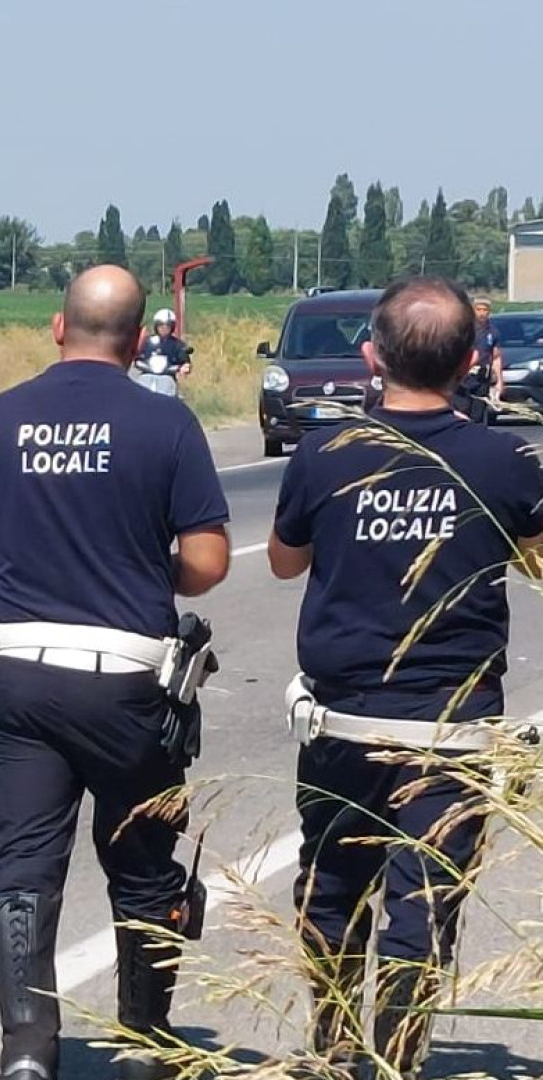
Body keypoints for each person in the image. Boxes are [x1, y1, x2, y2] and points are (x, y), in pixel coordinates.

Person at [0, 265, 233, 1080]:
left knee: (25, 863)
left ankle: (28, 1048)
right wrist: (145, 568)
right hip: (128, 685)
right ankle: (143, 1041)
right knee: (143, 867)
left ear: (58, 327)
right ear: (139, 341)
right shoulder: (166, 423)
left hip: (24, 677)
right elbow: (209, 561)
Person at [268, 276, 543, 1077]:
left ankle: (335, 1044)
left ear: (371, 358)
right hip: (451, 733)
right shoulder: (504, 460)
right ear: (470, 361)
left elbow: (284, 562)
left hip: (344, 726)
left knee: (331, 892)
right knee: (422, 905)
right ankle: (396, 1055)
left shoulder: (325, 453)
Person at [453, 297, 504, 424]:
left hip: (482, 378)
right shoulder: (465, 330)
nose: (482, 313)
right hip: (465, 377)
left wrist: (499, 381)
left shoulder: (492, 332)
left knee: (479, 413)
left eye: (485, 310)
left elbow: (496, 357)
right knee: (462, 411)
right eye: (479, 309)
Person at [137, 308, 192, 377]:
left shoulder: (177, 344)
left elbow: (184, 360)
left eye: (167, 326)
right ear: (156, 326)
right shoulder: (146, 341)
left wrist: (185, 367)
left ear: (172, 327)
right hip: (146, 376)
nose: (164, 328)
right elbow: (137, 356)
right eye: (161, 325)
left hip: (167, 377)